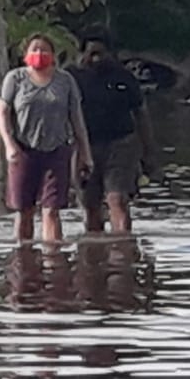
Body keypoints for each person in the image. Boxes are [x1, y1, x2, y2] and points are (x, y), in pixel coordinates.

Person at [0, 34, 91, 243]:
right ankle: (23, 257)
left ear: (54, 56)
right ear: (25, 55)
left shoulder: (65, 81)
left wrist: (85, 153)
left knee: (52, 210)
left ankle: (54, 260)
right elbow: (2, 113)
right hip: (23, 151)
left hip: (57, 150)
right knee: (24, 210)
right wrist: (9, 145)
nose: (39, 54)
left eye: (44, 50)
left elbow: (76, 118)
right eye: (34, 49)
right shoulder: (15, 79)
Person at [71, 34, 160, 235]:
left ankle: (123, 249)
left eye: (101, 54)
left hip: (121, 144)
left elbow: (141, 115)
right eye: (91, 54)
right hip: (85, 147)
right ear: (82, 54)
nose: (96, 59)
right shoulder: (72, 79)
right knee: (90, 204)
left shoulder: (124, 78)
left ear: (111, 54)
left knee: (117, 199)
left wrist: (149, 152)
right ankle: (93, 252)